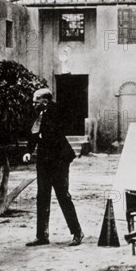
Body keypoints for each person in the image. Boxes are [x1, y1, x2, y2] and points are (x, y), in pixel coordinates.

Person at [22, 88, 84, 247]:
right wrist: (29, 151)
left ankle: (77, 232)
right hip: (44, 160)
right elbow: (33, 134)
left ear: (45, 101)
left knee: (63, 196)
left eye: (36, 99)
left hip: (59, 160)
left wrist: (43, 124)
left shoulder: (56, 111)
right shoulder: (37, 114)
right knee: (42, 197)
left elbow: (55, 130)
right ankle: (41, 236)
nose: (33, 102)